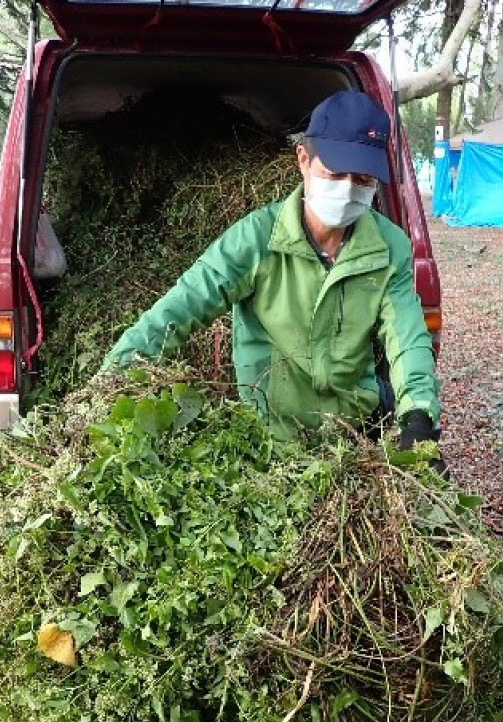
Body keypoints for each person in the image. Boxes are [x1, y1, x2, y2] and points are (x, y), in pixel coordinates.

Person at [103, 90, 443, 458]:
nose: (347, 190)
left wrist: (418, 416)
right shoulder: (256, 239)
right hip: (270, 438)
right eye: (335, 173)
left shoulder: (388, 245)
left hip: (352, 432)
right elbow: (178, 310)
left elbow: (407, 336)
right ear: (303, 159)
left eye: (363, 179)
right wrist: (111, 380)